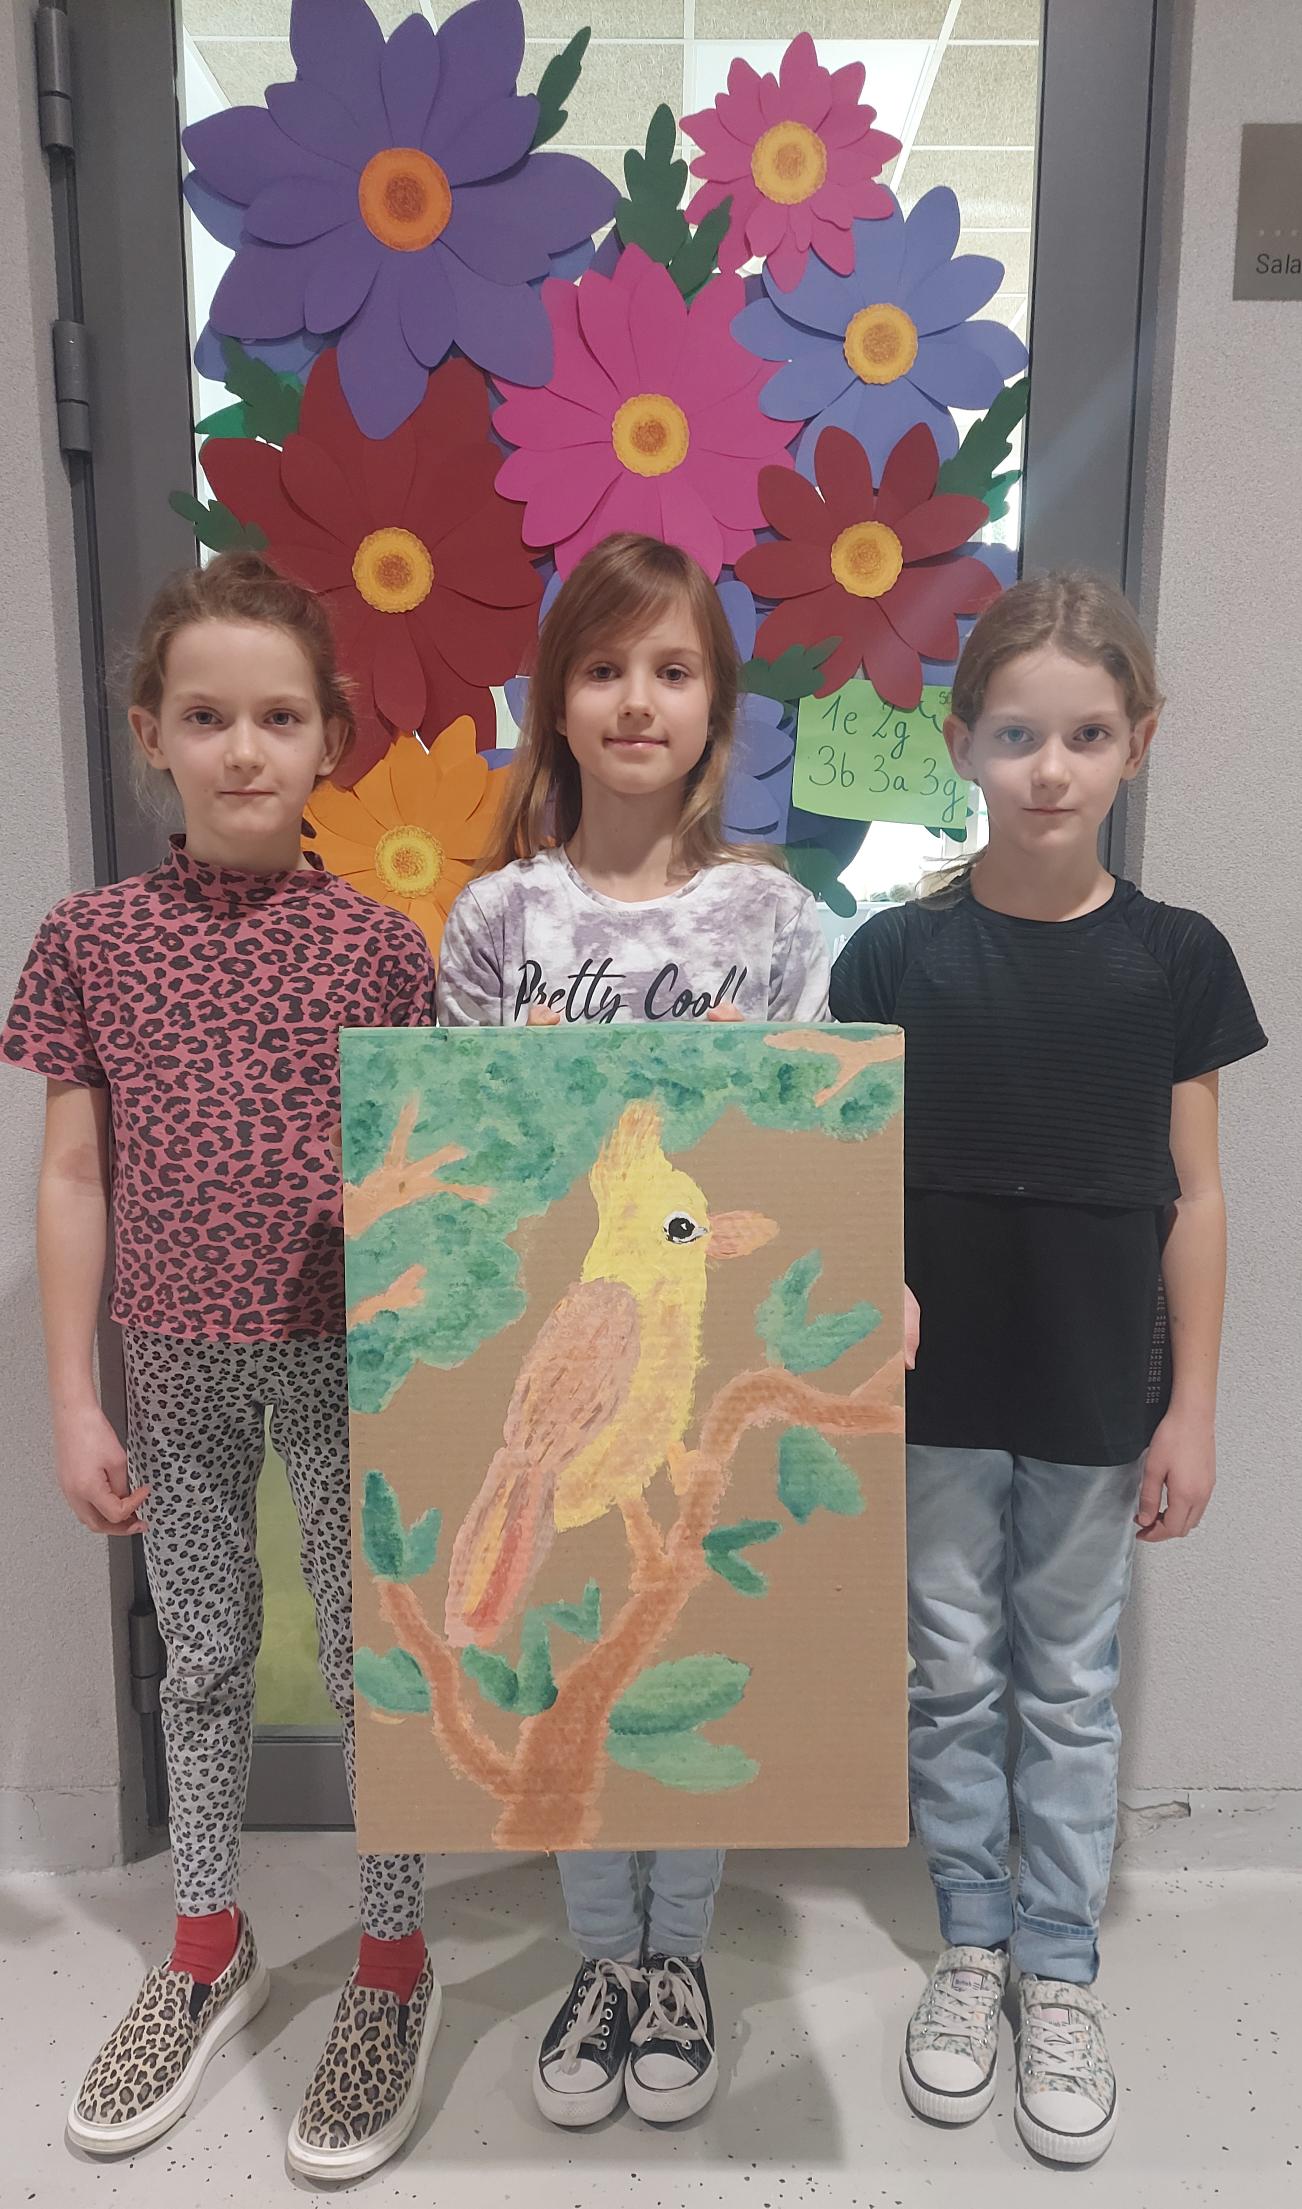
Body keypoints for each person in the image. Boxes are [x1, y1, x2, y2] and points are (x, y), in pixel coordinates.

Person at [2, 552, 439, 2182]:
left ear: (328, 735)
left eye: (276, 716)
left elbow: (429, 1176)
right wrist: (72, 1395)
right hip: (171, 1369)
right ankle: (203, 1941)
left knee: (372, 1660)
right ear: (150, 733)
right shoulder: (90, 939)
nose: (242, 748)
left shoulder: (381, 948)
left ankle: (391, 1960)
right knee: (199, 1656)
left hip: (344, 1363)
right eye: (205, 716)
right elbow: (72, 1175)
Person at [829, 571, 1266, 2168]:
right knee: (950, 1668)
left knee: (1067, 1681)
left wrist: (1191, 1406)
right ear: (960, 742)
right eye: (1015, 735)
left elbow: (1197, 1197)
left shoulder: (1176, 959)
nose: (1049, 769)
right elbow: (838, 1177)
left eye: (1085, 735)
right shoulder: (890, 959)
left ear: (1137, 741)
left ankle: (1058, 1963)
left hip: (1094, 1388)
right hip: (933, 1390)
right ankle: (972, 1940)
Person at [436, 530, 829, 2128]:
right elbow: (470, 1152)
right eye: (603, 669)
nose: (636, 700)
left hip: (699, 1338)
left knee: (683, 1621)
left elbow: (809, 1148)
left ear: (715, 706)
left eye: (671, 670)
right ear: (556, 701)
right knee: (565, 1640)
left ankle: (680, 1954)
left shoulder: (772, 920)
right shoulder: (499, 918)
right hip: (565, 1327)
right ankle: (600, 1953)